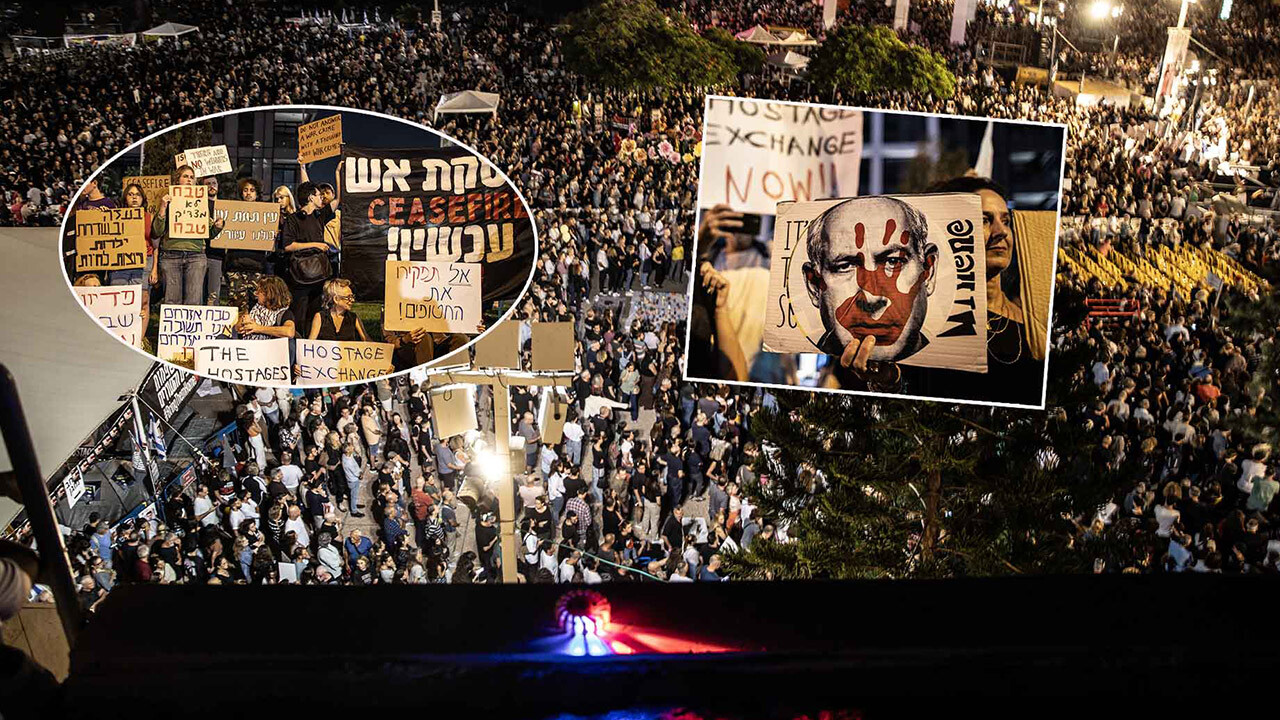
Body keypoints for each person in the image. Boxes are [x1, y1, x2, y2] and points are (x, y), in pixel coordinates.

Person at [153, 165, 225, 305]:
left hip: (196, 256)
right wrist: (162, 208)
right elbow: (157, 231)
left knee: (193, 302)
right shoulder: (168, 200)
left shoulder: (201, 201)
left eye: (192, 177)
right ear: (177, 179)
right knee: (172, 302)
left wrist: (217, 227)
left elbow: (208, 234)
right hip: (171, 255)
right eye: (185, 176)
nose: (189, 180)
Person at [280, 181, 336, 337]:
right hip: (300, 276)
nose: (322, 198)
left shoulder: (320, 216)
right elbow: (288, 245)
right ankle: (297, 343)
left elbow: (338, 200)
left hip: (319, 274)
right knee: (299, 313)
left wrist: (339, 174)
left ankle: (311, 345)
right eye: (319, 195)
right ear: (311, 197)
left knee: (315, 312)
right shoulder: (293, 219)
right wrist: (316, 245)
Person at [309, 277, 369, 342]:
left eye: (352, 296)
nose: (352, 300)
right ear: (336, 299)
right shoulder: (320, 317)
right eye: (348, 297)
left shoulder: (353, 318)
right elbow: (311, 343)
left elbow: (366, 339)